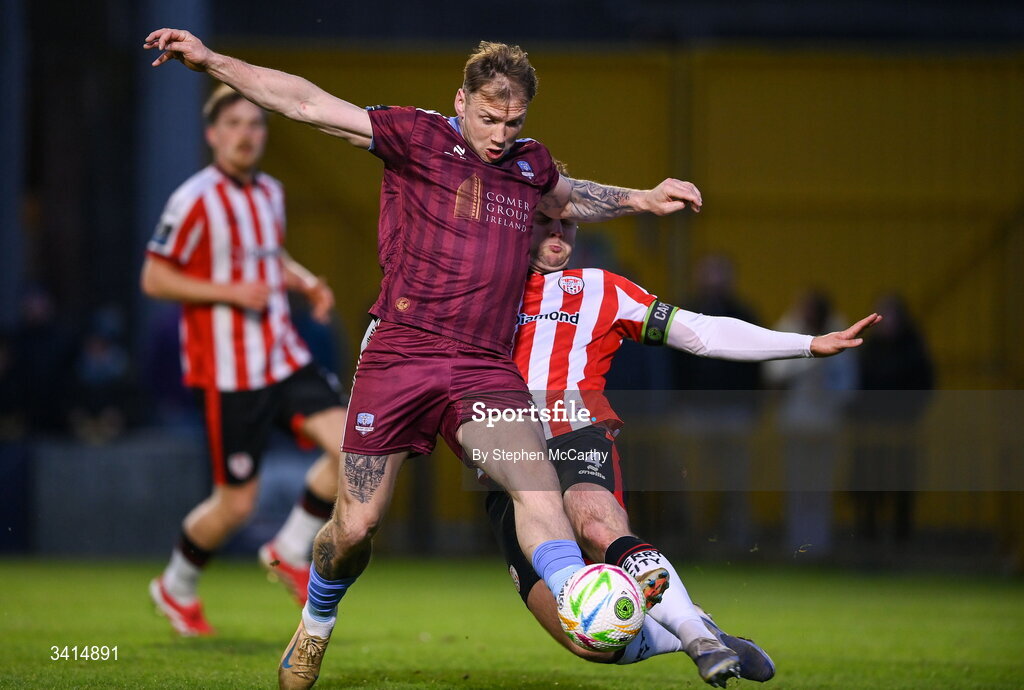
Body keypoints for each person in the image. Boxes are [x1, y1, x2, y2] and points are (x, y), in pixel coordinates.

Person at [144, 30, 707, 689]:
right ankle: (317, 621)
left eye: (514, 121)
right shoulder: (416, 136)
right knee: (355, 527)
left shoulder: (529, 164)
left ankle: (573, 589)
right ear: (460, 101)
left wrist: (641, 197)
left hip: (482, 365)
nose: (500, 134)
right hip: (400, 354)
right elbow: (304, 102)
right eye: (489, 118)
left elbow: (565, 195)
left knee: (537, 489)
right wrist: (212, 61)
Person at [486, 211, 880, 685]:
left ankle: (699, 640)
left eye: (568, 222)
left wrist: (807, 344)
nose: (559, 232)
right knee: (586, 641)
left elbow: (703, 332)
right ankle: (691, 631)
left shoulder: (602, 289)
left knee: (594, 522)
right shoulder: (478, 290)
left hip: (575, 430)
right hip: (504, 451)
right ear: (513, 222)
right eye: (544, 221)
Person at [142, 84, 349, 636]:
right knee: (235, 506)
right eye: (234, 125)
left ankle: (288, 548)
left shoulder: (270, 193)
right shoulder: (193, 199)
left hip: (284, 356)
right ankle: (176, 585)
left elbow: (266, 256)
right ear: (213, 135)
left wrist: (305, 283)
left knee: (355, 448)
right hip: (230, 373)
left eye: (255, 125)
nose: (246, 135)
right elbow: (155, 276)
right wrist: (232, 293)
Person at [765, 289, 858, 558]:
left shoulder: (840, 332)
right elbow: (773, 373)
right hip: (795, 426)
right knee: (797, 488)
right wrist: (807, 366)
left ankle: (820, 547)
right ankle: (797, 547)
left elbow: (848, 384)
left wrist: (829, 395)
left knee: (820, 489)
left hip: (827, 426)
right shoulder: (788, 329)